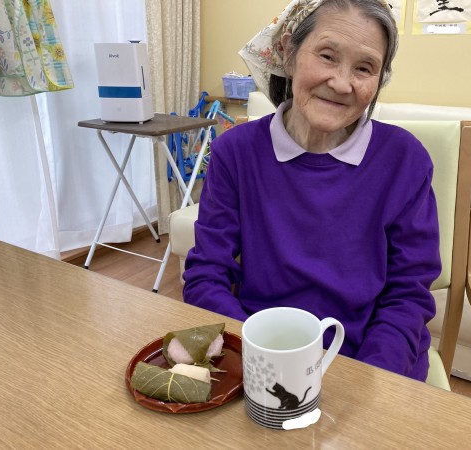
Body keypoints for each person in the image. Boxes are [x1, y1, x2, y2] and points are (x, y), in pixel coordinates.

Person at [183, 0, 441, 382]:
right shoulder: (235, 152)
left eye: (364, 68)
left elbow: (408, 296)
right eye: (327, 56)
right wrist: (261, 358)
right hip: (263, 356)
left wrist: (364, 382)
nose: (341, 83)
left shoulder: (405, 160)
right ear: (289, 51)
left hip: (371, 363)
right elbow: (207, 274)